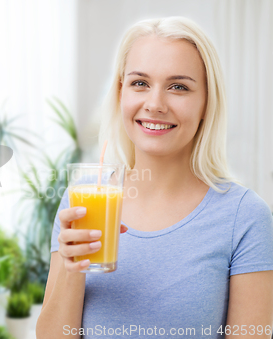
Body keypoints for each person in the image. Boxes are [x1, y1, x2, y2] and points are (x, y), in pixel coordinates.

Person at [36, 16, 273, 339]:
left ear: (206, 102)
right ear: (121, 93)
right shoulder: (81, 200)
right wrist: (71, 269)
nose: (155, 104)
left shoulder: (244, 217)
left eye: (179, 87)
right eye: (140, 83)